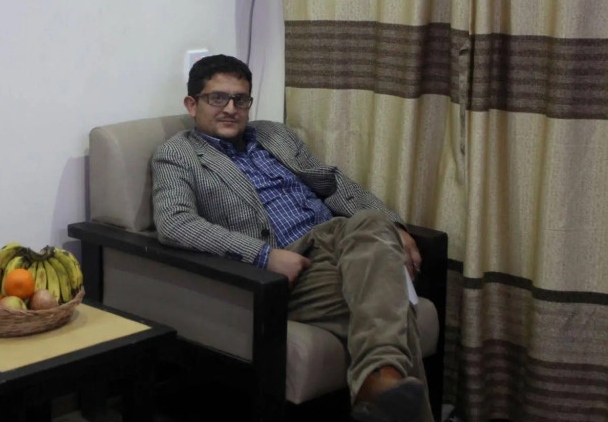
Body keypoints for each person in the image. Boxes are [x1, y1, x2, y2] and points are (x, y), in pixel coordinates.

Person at [151, 54, 430, 422]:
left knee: (372, 223)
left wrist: (395, 226)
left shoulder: (274, 135)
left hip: (342, 243)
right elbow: (174, 223)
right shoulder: (177, 154)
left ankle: (380, 383)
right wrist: (264, 256)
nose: (231, 108)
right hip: (289, 271)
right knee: (390, 298)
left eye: (240, 99)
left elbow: (332, 183)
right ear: (192, 104)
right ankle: (382, 379)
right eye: (217, 98)